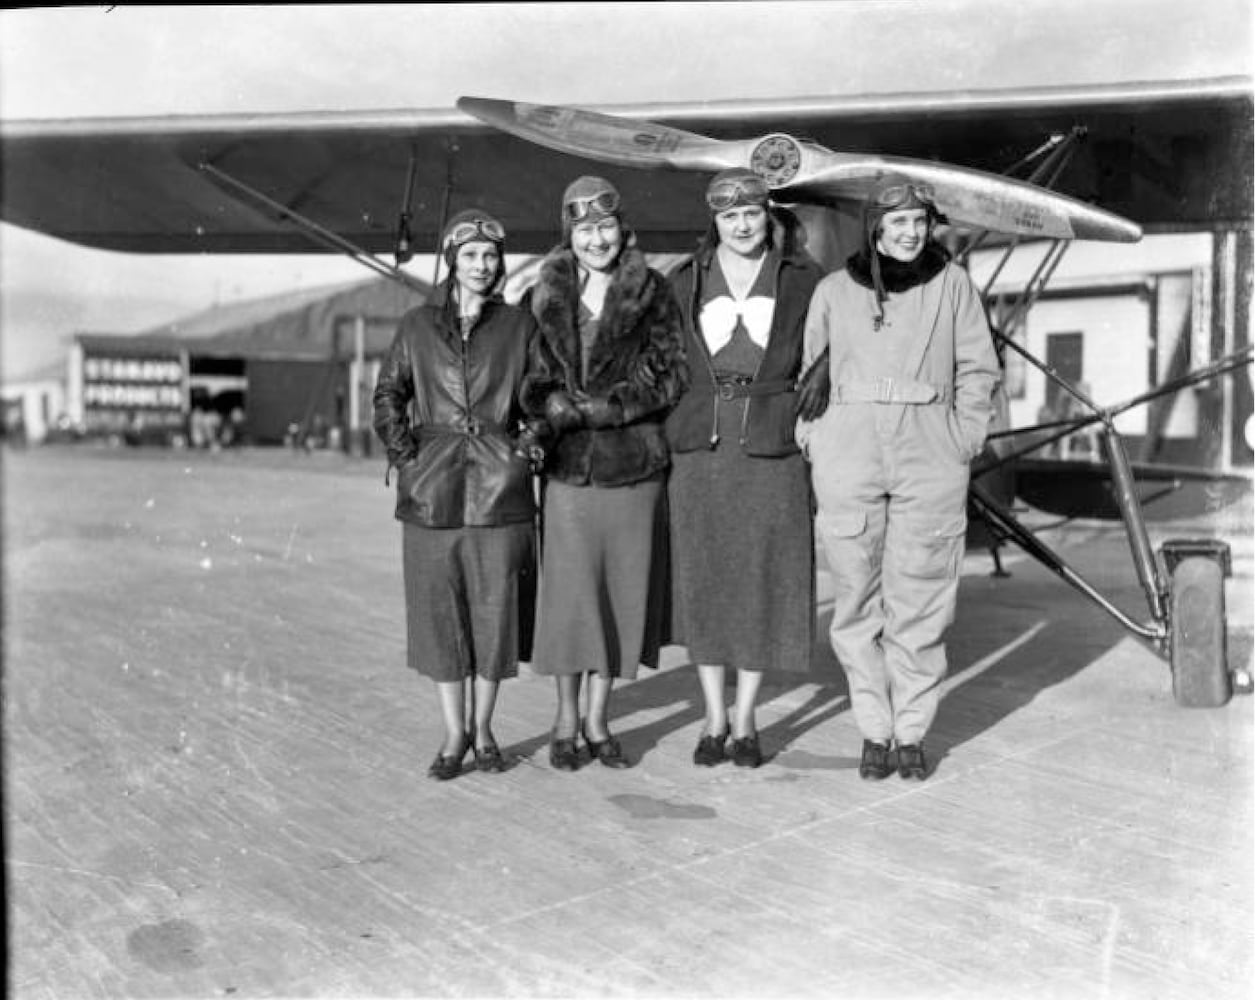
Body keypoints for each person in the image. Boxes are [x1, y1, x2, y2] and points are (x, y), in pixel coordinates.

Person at [797, 174, 1000, 781]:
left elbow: (978, 370)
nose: (910, 233)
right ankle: (874, 730)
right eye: (898, 222)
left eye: (919, 221)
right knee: (855, 600)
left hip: (929, 450)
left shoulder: (954, 285)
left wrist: (962, 440)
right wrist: (817, 441)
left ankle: (910, 731)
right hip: (849, 451)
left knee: (920, 598)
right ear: (876, 228)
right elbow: (810, 372)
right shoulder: (835, 290)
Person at [521, 175, 688, 771]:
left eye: (606, 226)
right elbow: (530, 381)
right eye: (585, 229)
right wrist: (552, 407)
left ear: (623, 229)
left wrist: (611, 407)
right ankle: (565, 720)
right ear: (569, 235)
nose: (597, 239)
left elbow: (672, 374)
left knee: (619, 598)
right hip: (569, 472)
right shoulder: (542, 297)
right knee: (570, 600)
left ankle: (598, 719)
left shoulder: (654, 292)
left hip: (633, 469)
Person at [665, 168, 830, 768]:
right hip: (699, 452)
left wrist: (826, 372)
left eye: (752, 213)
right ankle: (712, 718)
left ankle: (746, 719)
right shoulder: (681, 281)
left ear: (768, 216)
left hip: (773, 447)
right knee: (706, 582)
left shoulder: (805, 280)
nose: (741, 225)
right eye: (730, 215)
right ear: (714, 220)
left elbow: (839, 339)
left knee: (762, 581)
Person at [372, 208, 538, 781]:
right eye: (470, 256)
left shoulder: (520, 326)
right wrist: (406, 455)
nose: (482, 266)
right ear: (451, 261)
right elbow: (389, 393)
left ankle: (486, 727)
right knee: (441, 617)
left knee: (495, 616)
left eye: (491, 257)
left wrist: (525, 449)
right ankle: (454, 731)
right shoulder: (416, 326)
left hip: (501, 490)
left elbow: (544, 398)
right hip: (432, 491)